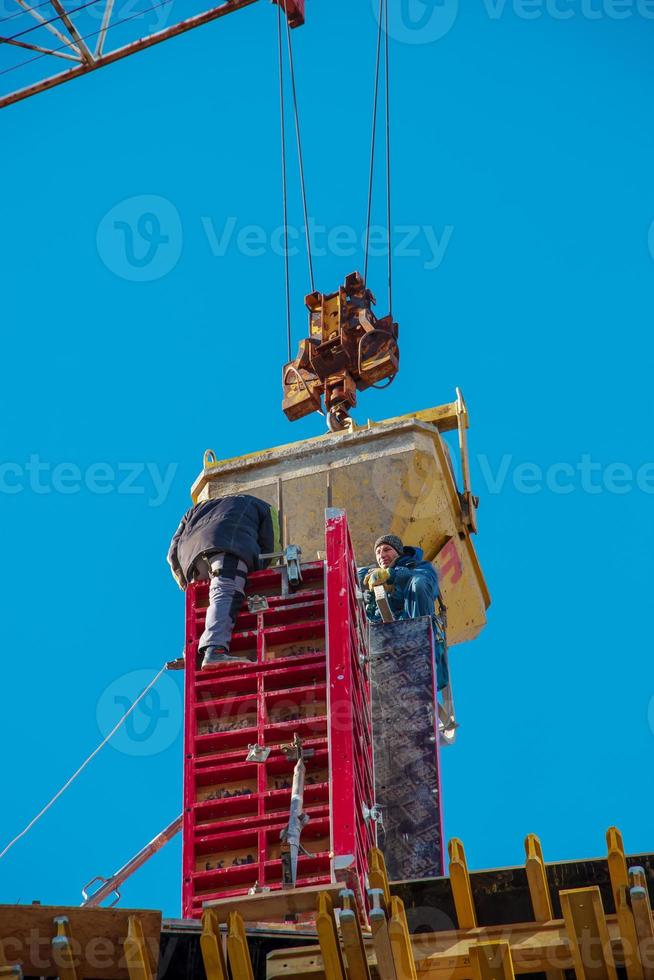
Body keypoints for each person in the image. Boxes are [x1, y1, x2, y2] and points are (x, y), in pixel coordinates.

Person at [168, 494, 279, 669]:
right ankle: (215, 650)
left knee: (203, 604)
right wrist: (256, 574)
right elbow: (271, 547)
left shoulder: (194, 510)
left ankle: (191, 653)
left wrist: (187, 585)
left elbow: (172, 553)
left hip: (191, 558)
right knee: (226, 592)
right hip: (228, 547)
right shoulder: (262, 505)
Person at [358, 533, 449, 690]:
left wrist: (392, 575)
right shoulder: (375, 576)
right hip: (384, 642)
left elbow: (425, 583)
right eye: (378, 552)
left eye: (387, 550)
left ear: (398, 552)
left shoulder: (420, 568)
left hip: (412, 632)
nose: (382, 555)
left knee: (418, 583)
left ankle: (420, 644)